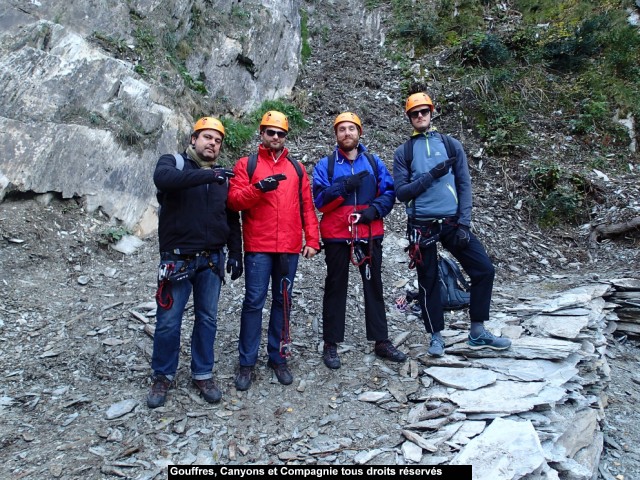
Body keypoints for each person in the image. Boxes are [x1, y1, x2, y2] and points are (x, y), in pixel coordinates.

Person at [393, 92, 511, 357]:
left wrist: (464, 222)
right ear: (409, 118)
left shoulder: (450, 145)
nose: (420, 116)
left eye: (424, 111)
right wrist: (431, 175)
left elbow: (464, 184)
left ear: (431, 113)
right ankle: (435, 336)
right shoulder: (405, 152)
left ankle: (478, 331)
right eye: (415, 113)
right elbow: (401, 192)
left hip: (452, 221)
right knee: (428, 280)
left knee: (483, 270)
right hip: (422, 225)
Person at [147, 116, 243, 408]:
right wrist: (208, 176)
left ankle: (203, 373)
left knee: (207, 320)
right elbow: (163, 181)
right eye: (207, 138)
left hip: (211, 261)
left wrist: (236, 252)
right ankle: (162, 376)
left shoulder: (221, 177)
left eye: (217, 140)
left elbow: (230, 218)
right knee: (168, 323)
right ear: (193, 139)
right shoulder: (173, 163)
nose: (212, 143)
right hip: (177, 260)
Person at [227, 110, 320, 391]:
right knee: (254, 302)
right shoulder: (247, 164)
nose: (276, 137)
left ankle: (278, 357)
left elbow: (307, 205)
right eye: (271, 132)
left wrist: (313, 240)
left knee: (283, 302)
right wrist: (258, 189)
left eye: (280, 133)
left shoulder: (297, 168)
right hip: (259, 246)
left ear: (286, 136)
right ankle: (247, 362)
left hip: (289, 247)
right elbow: (234, 201)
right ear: (262, 133)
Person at [312, 112, 407, 369]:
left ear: (359, 133)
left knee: (373, 285)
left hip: (368, 233)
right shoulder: (327, 165)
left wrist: (373, 211)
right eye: (341, 129)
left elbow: (389, 192)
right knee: (335, 286)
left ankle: (381, 340)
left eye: (351, 129)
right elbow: (320, 201)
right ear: (336, 135)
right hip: (336, 235)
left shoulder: (374, 163)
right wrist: (343, 186)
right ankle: (331, 342)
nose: (346, 133)